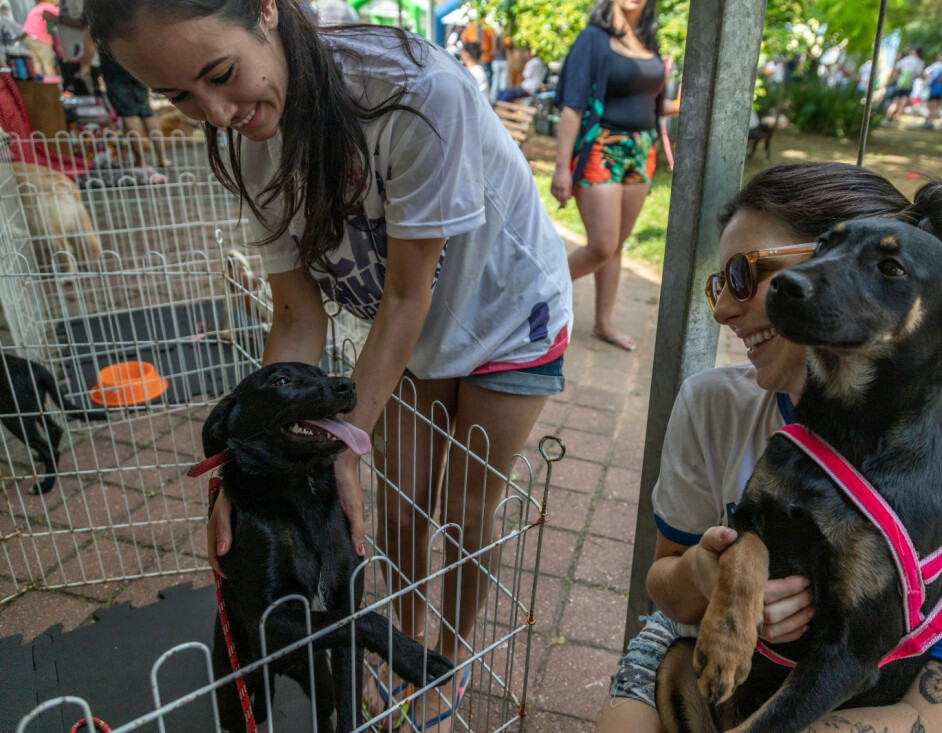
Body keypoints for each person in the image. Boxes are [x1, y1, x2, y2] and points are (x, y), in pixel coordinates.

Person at [84, 2, 573, 731]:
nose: (217, 114)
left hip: (504, 312)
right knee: (401, 507)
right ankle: (397, 645)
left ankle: (449, 658)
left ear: (267, 11)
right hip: (406, 325)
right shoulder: (253, 134)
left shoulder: (412, 94)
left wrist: (346, 442)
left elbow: (410, 292)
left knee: (470, 511)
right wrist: (241, 464)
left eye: (220, 74)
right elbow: (296, 316)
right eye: (179, 97)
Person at [593, 161, 942, 732]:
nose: (722, 310)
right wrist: (707, 578)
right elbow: (664, 584)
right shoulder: (712, 402)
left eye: (746, 274)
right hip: (696, 645)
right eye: (718, 282)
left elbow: (938, 717)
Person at [551, 0, 678, 352]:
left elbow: (653, 105)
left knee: (615, 246)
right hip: (602, 147)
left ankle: (603, 322)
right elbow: (572, 106)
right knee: (602, 246)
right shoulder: (593, 39)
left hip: (642, 151)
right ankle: (534, 290)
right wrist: (562, 167)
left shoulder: (648, 41)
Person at [98, 52, 170, 168]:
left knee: (128, 115)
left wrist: (86, 67)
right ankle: (163, 158)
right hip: (136, 63)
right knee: (147, 113)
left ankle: (141, 161)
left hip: (115, 69)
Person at [18, 1, 58, 79]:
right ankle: (52, 85)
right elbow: (52, 24)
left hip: (29, 36)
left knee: (37, 62)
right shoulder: (50, 8)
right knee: (47, 63)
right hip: (41, 37)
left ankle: (41, 83)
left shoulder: (36, 8)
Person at [885, 47, 923, 123]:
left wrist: (899, 76)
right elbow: (918, 74)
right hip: (909, 84)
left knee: (895, 101)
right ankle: (896, 119)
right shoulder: (919, 62)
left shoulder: (906, 59)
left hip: (900, 83)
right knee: (903, 102)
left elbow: (896, 67)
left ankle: (887, 118)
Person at [923, 50, 942, 128]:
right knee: (929, 105)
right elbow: (926, 72)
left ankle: (931, 122)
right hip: (931, 88)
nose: (940, 57)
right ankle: (927, 120)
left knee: (935, 105)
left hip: (939, 88)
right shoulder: (935, 65)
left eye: (941, 55)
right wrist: (929, 79)